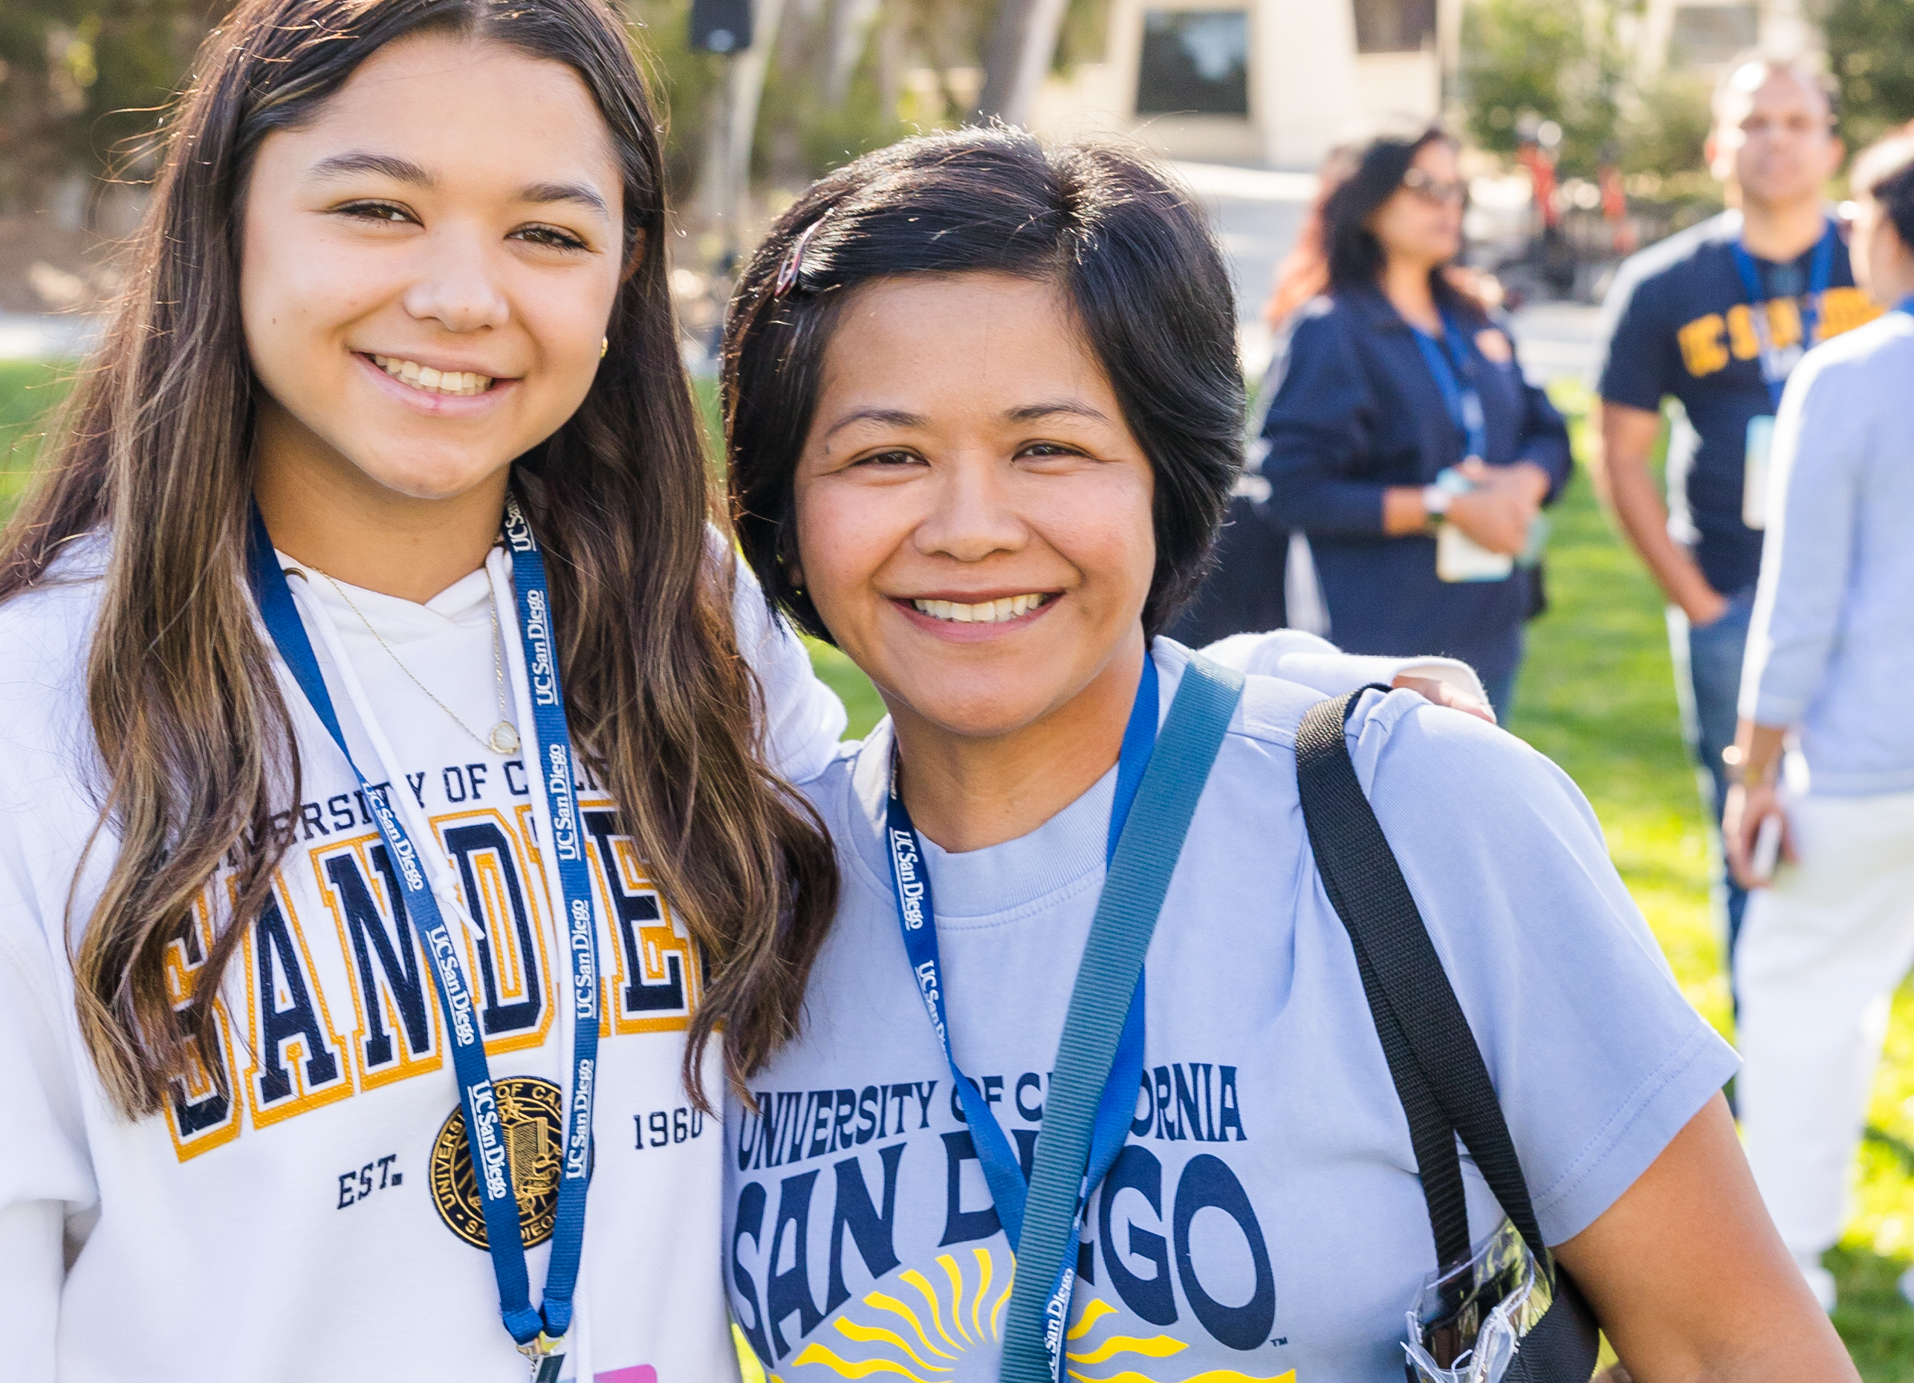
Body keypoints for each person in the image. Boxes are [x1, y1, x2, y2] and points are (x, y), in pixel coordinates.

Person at [0, 0, 867, 1383]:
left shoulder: (688, 630)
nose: (461, 294)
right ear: (226, 220)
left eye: (549, 232)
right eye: (377, 208)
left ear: (623, 281)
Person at [718, 127, 1842, 1379]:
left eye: (1050, 447)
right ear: (783, 501)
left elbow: (1738, 1348)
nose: (971, 528)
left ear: (1165, 470)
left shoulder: (1418, 812)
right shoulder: (749, 897)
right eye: (885, 456)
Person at [1595, 55, 1872, 971]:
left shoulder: (1882, 260)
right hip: (1733, 597)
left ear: (1831, 144)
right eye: (1754, 122)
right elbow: (1620, 454)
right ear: (1718, 146)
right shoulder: (1664, 283)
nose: (1775, 141)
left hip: (1880, 593)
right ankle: (1759, 1060)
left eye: (1796, 122)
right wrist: (1694, 598)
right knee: (1751, 830)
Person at [1722, 126, 1914, 1315]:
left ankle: (1784, 1265)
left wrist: (1754, 769)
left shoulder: (1849, 375)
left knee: (1799, 996)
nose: (1848, 233)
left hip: (1854, 764)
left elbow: (1797, 602)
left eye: (1861, 214)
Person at [1254, 128, 1569, 718]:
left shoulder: (1477, 317)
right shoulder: (1330, 329)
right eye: (1426, 187)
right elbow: (1290, 491)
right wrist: (1441, 505)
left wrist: (1519, 487)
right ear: (1367, 198)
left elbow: (1549, 433)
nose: (1448, 205)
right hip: (1383, 652)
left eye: (1458, 189)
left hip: (1489, 629)